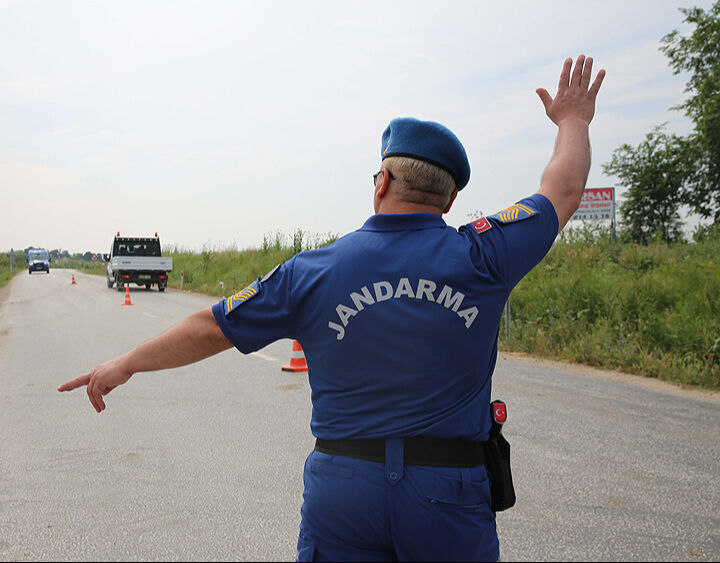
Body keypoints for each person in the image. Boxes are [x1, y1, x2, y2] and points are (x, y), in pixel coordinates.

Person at [59, 55, 605, 561]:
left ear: (383, 182)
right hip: (448, 492)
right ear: (450, 198)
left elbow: (211, 327)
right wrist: (572, 120)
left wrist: (125, 363)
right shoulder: (485, 255)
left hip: (345, 489)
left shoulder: (312, 271)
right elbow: (563, 191)